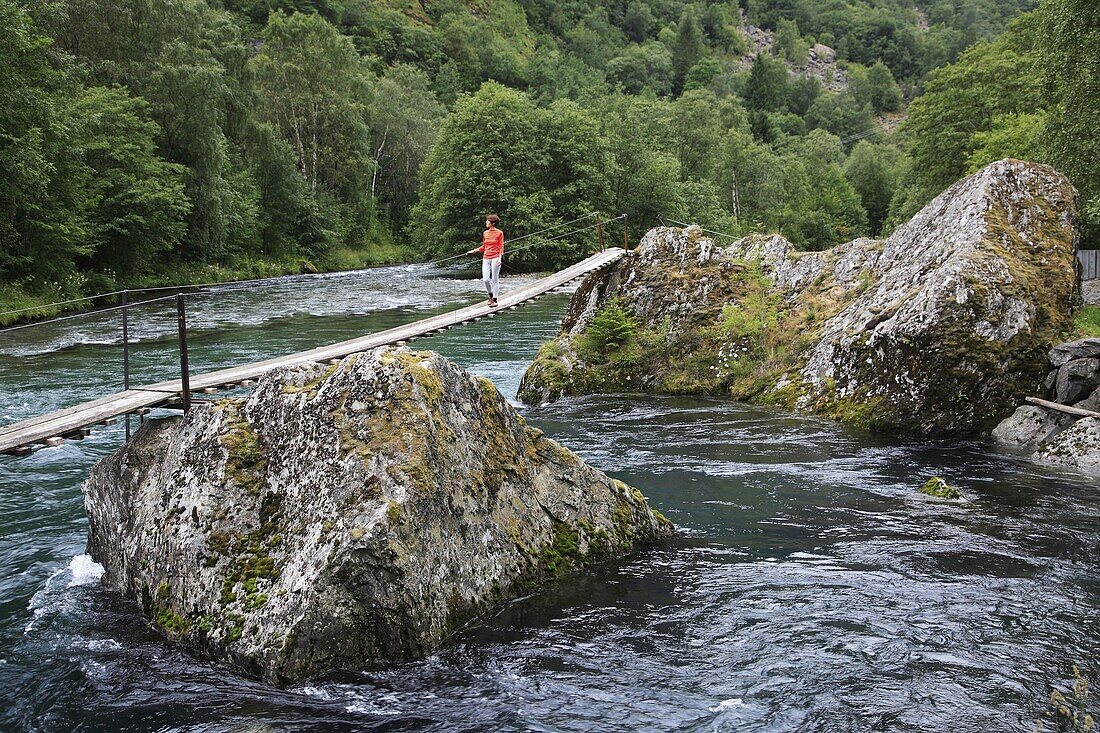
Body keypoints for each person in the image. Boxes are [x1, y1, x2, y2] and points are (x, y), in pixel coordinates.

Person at [467, 214, 504, 307]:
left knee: (495, 279)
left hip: (496, 257)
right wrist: (474, 250)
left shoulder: (499, 233)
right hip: (486, 257)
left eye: (488, 221)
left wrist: (500, 258)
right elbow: (484, 246)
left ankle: (495, 300)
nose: (486, 222)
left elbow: (501, 247)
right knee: (486, 280)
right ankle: (490, 296)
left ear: (493, 223)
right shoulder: (485, 233)